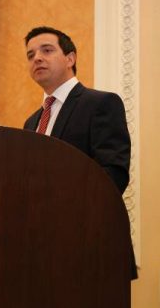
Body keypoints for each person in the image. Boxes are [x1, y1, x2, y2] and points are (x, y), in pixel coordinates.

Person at [23, 26, 136, 279]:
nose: (37, 58)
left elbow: (113, 174)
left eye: (47, 50)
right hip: (40, 248)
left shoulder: (100, 104)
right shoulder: (31, 122)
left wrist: (63, 213)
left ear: (70, 58)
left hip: (89, 244)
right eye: (30, 55)